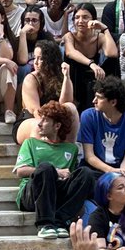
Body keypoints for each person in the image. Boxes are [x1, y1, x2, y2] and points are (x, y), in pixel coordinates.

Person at [14, 101, 94, 239]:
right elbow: (20, 171)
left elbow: (72, 179)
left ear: (57, 126)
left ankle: (60, 221)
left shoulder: (71, 149)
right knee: (46, 168)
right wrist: (56, 172)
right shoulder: (31, 143)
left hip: (56, 195)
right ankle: (45, 224)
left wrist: (67, 176)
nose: (39, 124)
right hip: (31, 195)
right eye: (41, 119)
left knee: (86, 174)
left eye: (45, 120)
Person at [15, 38, 76, 145]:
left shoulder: (60, 77)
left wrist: (66, 77)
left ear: (50, 60)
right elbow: (35, 111)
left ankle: (69, 151)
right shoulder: (31, 79)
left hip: (54, 124)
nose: (36, 62)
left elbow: (65, 105)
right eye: (35, 58)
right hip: (30, 121)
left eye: (41, 58)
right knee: (38, 126)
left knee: (71, 107)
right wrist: (51, 127)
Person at [77, 76, 125, 177]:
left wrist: (122, 174)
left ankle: (117, 188)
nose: (94, 101)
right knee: (85, 174)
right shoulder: (88, 116)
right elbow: (89, 156)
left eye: (99, 97)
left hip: (120, 167)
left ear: (113, 102)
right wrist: (111, 171)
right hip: (95, 169)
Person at [63, 3, 118, 110]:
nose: (80, 21)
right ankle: (75, 101)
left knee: (113, 62)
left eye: (85, 17)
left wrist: (105, 29)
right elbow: (70, 52)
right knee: (71, 61)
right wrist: (91, 64)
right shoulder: (69, 36)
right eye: (77, 17)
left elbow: (112, 53)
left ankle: (112, 99)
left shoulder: (99, 37)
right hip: (76, 76)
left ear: (93, 19)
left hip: (95, 75)